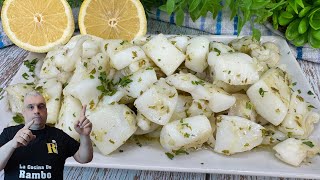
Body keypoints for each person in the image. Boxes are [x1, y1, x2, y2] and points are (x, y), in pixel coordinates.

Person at [0, 91, 93, 179]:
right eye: (31, 107)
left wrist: (84, 135)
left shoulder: (58, 135)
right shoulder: (9, 133)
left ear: (46, 111)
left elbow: (84, 158)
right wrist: (12, 144)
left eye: (41, 106)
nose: (36, 111)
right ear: (23, 112)